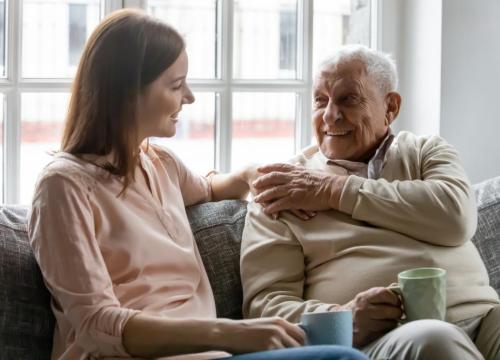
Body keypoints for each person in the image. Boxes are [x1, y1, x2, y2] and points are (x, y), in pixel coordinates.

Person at [28, 9, 369, 360]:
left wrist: (255, 175)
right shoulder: (63, 186)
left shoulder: (161, 164)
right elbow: (96, 324)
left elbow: (212, 188)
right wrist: (230, 332)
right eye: (176, 85)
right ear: (127, 91)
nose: (189, 97)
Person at [240, 45, 500, 360]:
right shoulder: (284, 188)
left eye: (348, 99)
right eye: (320, 100)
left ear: (390, 107)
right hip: (387, 339)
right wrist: (342, 317)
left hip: (484, 317)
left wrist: (334, 191)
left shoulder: (425, 151)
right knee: (434, 338)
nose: (329, 115)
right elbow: (265, 306)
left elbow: (456, 217)